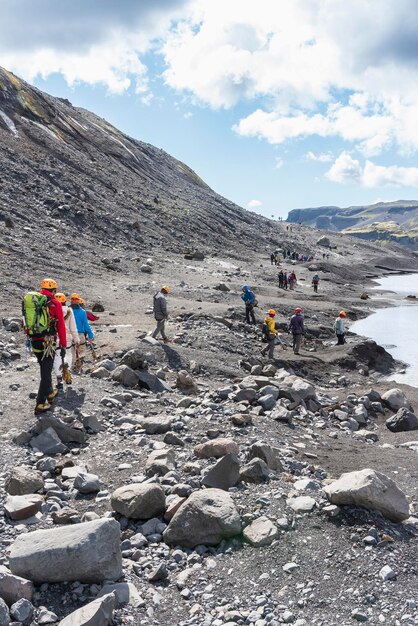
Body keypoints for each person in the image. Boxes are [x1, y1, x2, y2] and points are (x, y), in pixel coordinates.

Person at [23, 278, 66, 415]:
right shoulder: (55, 303)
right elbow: (61, 327)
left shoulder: (32, 302)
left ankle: (50, 394)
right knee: (46, 373)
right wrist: (63, 345)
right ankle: (40, 404)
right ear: (53, 291)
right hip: (48, 342)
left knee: (44, 367)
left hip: (34, 340)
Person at [53, 293, 80, 389]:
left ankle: (59, 378)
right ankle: (67, 373)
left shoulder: (52, 309)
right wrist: (76, 339)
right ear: (65, 301)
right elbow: (73, 327)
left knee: (57, 358)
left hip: (55, 339)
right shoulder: (69, 310)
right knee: (68, 355)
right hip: (67, 338)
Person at [70, 293, 94, 360]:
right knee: (81, 353)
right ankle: (79, 366)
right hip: (80, 335)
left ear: (70, 300)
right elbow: (86, 325)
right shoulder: (82, 312)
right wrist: (90, 335)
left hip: (70, 335)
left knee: (72, 354)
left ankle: (73, 366)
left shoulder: (68, 311)